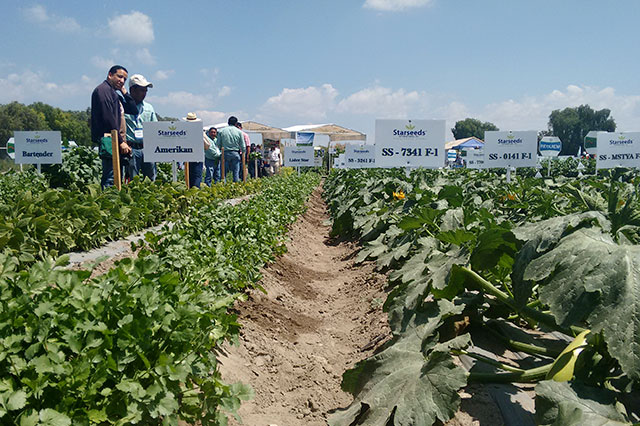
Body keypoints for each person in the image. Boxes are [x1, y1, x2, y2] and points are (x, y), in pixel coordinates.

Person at [91, 65, 137, 188]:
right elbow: (108, 119)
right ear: (110, 75)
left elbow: (133, 109)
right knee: (111, 178)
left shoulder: (114, 94)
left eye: (124, 79)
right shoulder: (103, 91)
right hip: (110, 141)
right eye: (119, 77)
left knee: (117, 178)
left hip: (116, 141)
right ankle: (108, 205)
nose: (122, 81)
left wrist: (124, 91)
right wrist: (121, 142)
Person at [123, 74, 157, 181]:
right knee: (132, 179)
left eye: (146, 90)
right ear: (132, 90)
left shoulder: (149, 107)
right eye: (142, 90)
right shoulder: (123, 106)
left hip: (147, 147)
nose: (144, 93)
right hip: (131, 148)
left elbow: (155, 127)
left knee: (151, 178)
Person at [216, 116, 246, 182]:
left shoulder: (221, 131)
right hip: (235, 153)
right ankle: (235, 187)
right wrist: (243, 153)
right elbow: (243, 145)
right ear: (236, 123)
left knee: (223, 173)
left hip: (225, 153)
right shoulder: (239, 132)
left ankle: (223, 187)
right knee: (236, 173)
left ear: (228, 122)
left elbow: (218, 144)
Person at [183, 112, 208, 188]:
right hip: (197, 156)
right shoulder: (200, 130)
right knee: (197, 176)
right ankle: (195, 194)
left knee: (189, 176)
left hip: (186, 156)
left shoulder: (183, 129)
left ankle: (189, 192)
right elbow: (207, 145)